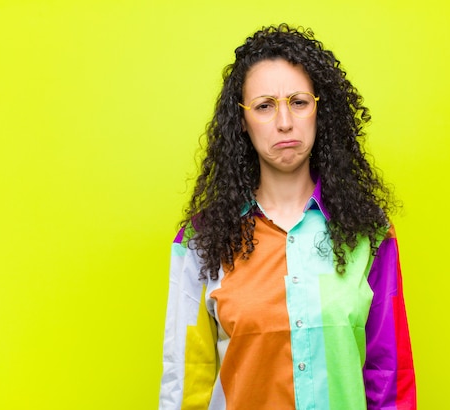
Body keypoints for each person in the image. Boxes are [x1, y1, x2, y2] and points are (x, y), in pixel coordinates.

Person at [159, 24, 416, 410]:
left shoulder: (370, 234)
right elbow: (186, 379)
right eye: (264, 106)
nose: (284, 122)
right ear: (242, 122)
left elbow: (389, 375)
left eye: (298, 102)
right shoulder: (201, 240)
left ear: (319, 110)